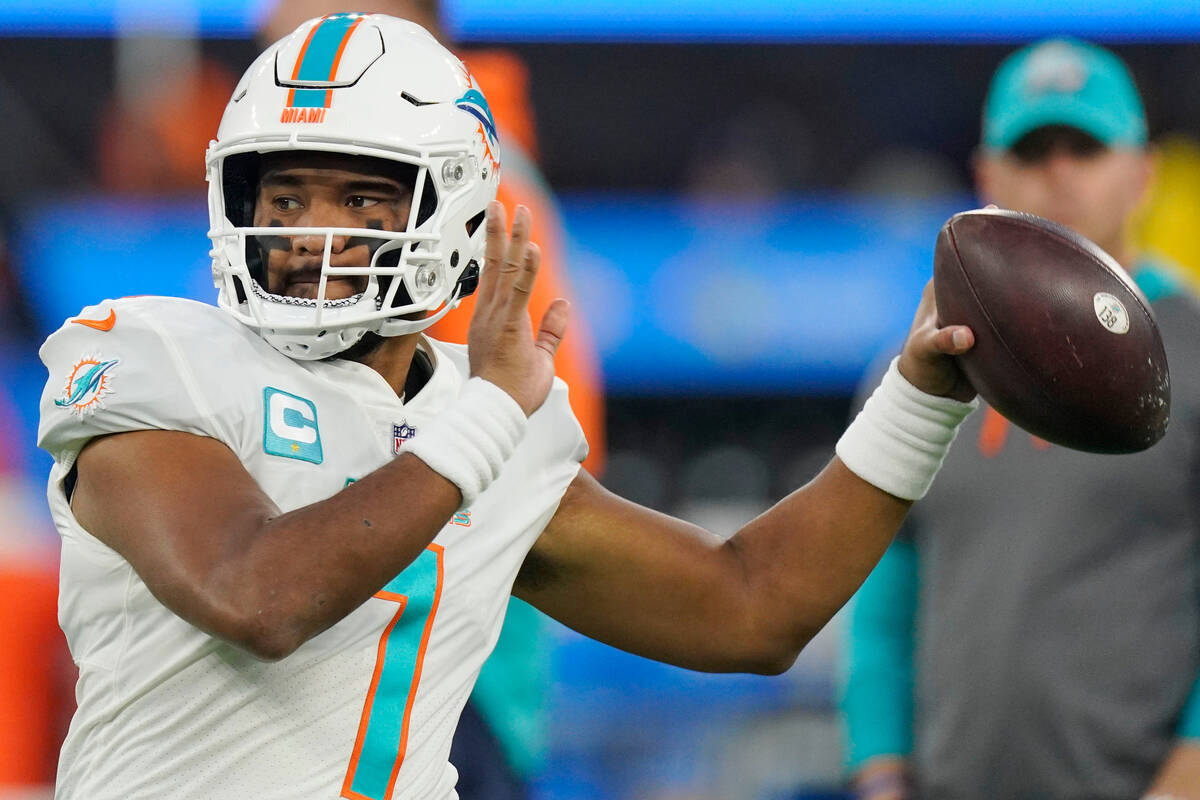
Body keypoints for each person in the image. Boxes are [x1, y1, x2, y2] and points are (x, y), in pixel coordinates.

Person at [38, 15, 979, 798]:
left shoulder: (487, 424)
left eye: (361, 199)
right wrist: (485, 418)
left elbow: (751, 607)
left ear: (453, 209)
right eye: (282, 195)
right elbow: (257, 595)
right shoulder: (151, 355)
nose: (306, 232)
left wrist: (919, 395)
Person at [257, 5, 606, 796]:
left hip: (427, 628)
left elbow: (545, 433)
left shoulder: (450, 178)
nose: (265, 17)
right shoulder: (417, 151)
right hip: (401, 605)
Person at [840, 38, 1200, 800]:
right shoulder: (919, 366)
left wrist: (1189, 774)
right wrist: (880, 771)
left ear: (1142, 174)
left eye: (1085, 146)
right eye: (1033, 150)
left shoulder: (1194, 347)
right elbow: (883, 598)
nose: (1059, 172)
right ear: (987, 177)